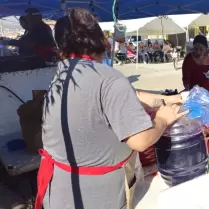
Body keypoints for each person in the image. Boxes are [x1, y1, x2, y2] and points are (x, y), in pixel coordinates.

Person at [35, 8, 187, 209]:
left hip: (59, 190)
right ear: (100, 41)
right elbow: (140, 141)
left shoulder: (62, 75)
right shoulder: (109, 78)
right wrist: (162, 120)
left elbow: (127, 95)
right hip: (96, 197)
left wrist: (169, 98)